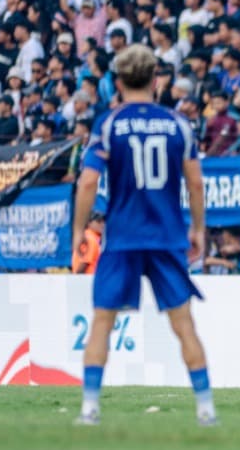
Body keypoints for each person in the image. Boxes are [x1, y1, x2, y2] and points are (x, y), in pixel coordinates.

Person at [71, 45, 215, 427]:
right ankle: (205, 410)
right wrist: (198, 229)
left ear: (117, 82)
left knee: (102, 321)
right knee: (183, 323)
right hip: (166, 236)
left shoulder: (108, 124)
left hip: (122, 237)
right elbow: (196, 184)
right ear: (156, 81)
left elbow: (87, 183)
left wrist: (77, 230)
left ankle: (89, 409)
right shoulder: (178, 124)